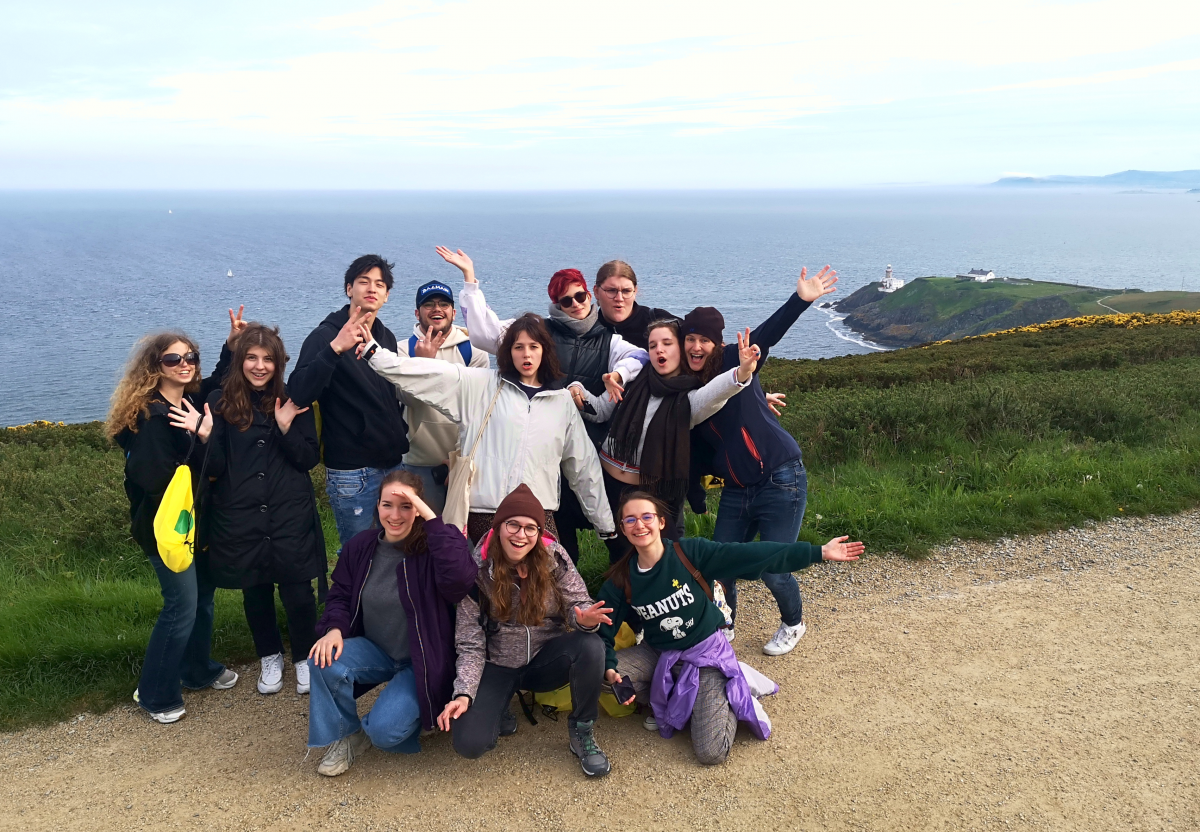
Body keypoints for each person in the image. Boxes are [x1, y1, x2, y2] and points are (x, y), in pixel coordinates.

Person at [597, 492, 863, 765]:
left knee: (711, 752)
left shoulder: (689, 553)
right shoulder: (622, 576)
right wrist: (607, 665)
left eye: (646, 517)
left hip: (706, 656)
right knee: (600, 674)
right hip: (659, 653)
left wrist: (816, 552)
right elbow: (602, 630)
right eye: (630, 519)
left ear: (662, 522)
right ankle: (680, 699)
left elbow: (751, 554)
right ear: (622, 529)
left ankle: (729, 690)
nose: (639, 525)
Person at [440, 246, 647, 561]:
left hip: (591, 449)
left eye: (580, 296)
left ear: (590, 295)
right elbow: (485, 333)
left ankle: (624, 593)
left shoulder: (609, 340)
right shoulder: (540, 334)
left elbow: (639, 356)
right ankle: (565, 596)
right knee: (558, 537)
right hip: (545, 454)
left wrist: (618, 374)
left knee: (613, 536)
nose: (576, 304)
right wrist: (470, 280)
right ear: (556, 304)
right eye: (566, 300)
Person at [355, 312, 616, 544]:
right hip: (485, 512)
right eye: (518, 347)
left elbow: (583, 466)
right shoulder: (480, 386)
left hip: (537, 513)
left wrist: (604, 523)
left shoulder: (561, 403)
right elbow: (427, 374)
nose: (526, 354)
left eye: (534, 346)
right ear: (507, 352)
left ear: (545, 351)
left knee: (541, 589)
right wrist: (375, 355)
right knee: (486, 591)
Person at [684, 266, 838, 655]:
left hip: (780, 477)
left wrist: (800, 300)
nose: (696, 347)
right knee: (719, 565)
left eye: (704, 340)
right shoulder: (686, 389)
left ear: (717, 343)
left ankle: (793, 622)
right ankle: (725, 623)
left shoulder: (736, 361)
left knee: (774, 565)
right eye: (690, 339)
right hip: (737, 488)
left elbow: (767, 335)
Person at [307, 471, 477, 776]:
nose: (394, 516)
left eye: (406, 506)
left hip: (422, 660)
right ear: (377, 505)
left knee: (385, 733)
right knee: (322, 659)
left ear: (419, 508)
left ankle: (402, 714)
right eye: (387, 505)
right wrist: (334, 628)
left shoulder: (432, 548)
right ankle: (347, 735)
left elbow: (460, 582)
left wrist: (432, 520)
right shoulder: (361, 546)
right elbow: (340, 595)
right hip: (376, 651)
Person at [437, 484, 614, 777]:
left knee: (590, 645)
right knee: (469, 744)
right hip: (498, 665)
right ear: (499, 526)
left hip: (547, 659)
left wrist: (584, 619)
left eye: (530, 528)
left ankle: (582, 730)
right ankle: (501, 707)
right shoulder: (476, 570)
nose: (521, 535)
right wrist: (464, 693)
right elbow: (470, 643)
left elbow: (579, 602)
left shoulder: (554, 557)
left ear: (539, 532)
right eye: (513, 525)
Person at [106, 330, 238, 724]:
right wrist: (204, 438)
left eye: (190, 357)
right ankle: (154, 693)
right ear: (154, 367)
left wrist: (229, 349)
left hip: (194, 524)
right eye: (173, 359)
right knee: (181, 606)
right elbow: (160, 477)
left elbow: (213, 382)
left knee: (202, 600)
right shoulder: (151, 417)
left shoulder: (187, 401)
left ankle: (196, 670)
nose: (185, 364)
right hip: (166, 528)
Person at [201, 323, 327, 697]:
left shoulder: (293, 399)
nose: (259, 366)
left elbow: (308, 459)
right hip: (239, 513)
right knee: (254, 589)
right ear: (239, 361)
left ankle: (304, 657)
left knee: (298, 591)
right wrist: (206, 438)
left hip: (289, 511)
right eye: (252, 358)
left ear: (279, 363)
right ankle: (269, 656)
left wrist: (287, 428)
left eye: (268, 359)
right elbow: (216, 469)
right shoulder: (219, 401)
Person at [577, 318, 760, 561]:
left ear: (680, 349)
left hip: (649, 492)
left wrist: (742, 372)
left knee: (664, 557)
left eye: (667, 343)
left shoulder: (689, 399)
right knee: (621, 555)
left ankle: (693, 596)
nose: (659, 350)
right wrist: (575, 389)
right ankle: (622, 597)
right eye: (652, 346)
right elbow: (599, 410)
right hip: (605, 484)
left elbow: (715, 393)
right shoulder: (633, 381)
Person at [288, 254, 408, 547]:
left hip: (392, 464)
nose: (372, 288)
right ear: (348, 289)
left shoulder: (385, 337)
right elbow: (300, 393)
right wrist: (334, 350)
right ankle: (349, 596)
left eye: (380, 284)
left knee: (392, 549)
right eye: (363, 281)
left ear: (387, 296)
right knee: (356, 553)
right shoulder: (325, 336)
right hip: (353, 473)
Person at [396, 277, 491, 513]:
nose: (437, 309)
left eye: (443, 304)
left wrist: (461, 456)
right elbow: (405, 399)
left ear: (453, 312)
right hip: (419, 461)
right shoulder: (402, 350)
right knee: (424, 533)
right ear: (417, 313)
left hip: (466, 461)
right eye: (429, 304)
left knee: (467, 537)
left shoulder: (474, 350)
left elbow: (476, 405)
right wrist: (423, 363)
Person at [592, 260, 676, 350]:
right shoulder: (587, 331)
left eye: (626, 291)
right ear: (596, 292)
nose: (619, 298)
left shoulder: (659, 320)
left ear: (635, 291)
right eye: (611, 291)